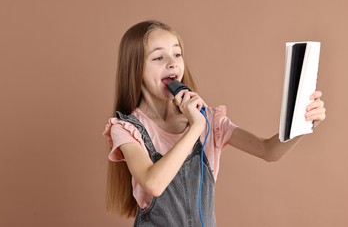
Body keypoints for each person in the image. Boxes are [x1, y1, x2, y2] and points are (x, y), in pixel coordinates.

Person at [102, 20, 326, 226]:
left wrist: (303, 124)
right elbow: (153, 184)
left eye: (177, 54)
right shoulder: (127, 129)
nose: (172, 64)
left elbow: (269, 151)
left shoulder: (210, 119)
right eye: (159, 58)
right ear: (135, 68)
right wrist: (196, 128)